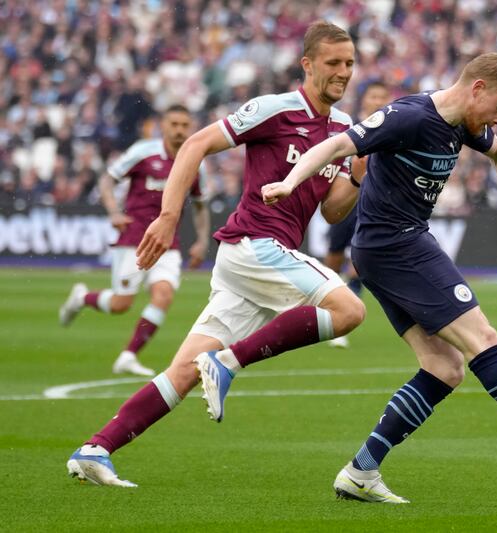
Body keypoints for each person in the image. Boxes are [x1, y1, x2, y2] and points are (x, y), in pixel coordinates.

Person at [262, 53, 497, 503]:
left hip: (389, 247)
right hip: (396, 245)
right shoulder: (408, 116)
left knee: (444, 367)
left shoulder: (465, 125)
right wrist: (290, 180)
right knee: (484, 341)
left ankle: (361, 471)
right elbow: (339, 145)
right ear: (476, 88)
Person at [66, 21, 365, 487]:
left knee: (182, 372)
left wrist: (360, 176)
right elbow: (196, 143)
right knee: (348, 309)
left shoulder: (345, 129)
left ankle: (96, 448)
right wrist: (168, 217)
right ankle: (228, 362)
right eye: (333, 63)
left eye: (349, 63)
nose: (344, 72)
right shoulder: (276, 109)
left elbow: (331, 210)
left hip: (260, 260)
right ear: (307, 65)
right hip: (254, 245)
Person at [58, 105, 210, 376]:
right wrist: (114, 212)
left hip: (168, 242)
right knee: (121, 304)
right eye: (173, 124)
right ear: (162, 125)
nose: (178, 130)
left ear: (191, 127)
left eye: (184, 125)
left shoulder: (196, 160)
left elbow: (200, 205)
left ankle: (128, 356)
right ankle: (82, 297)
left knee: (163, 295)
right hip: (135, 238)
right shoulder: (143, 152)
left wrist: (201, 240)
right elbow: (107, 180)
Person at [324, 80, 392, 348]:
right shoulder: (352, 130)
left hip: (374, 205)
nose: (378, 101)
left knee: (360, 262)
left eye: (382, 96)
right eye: (373, 96)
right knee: (333, 257)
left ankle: (342, 321)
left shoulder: (394, 131)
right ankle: (329, 307)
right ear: (364, 101)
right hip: (347, 200)